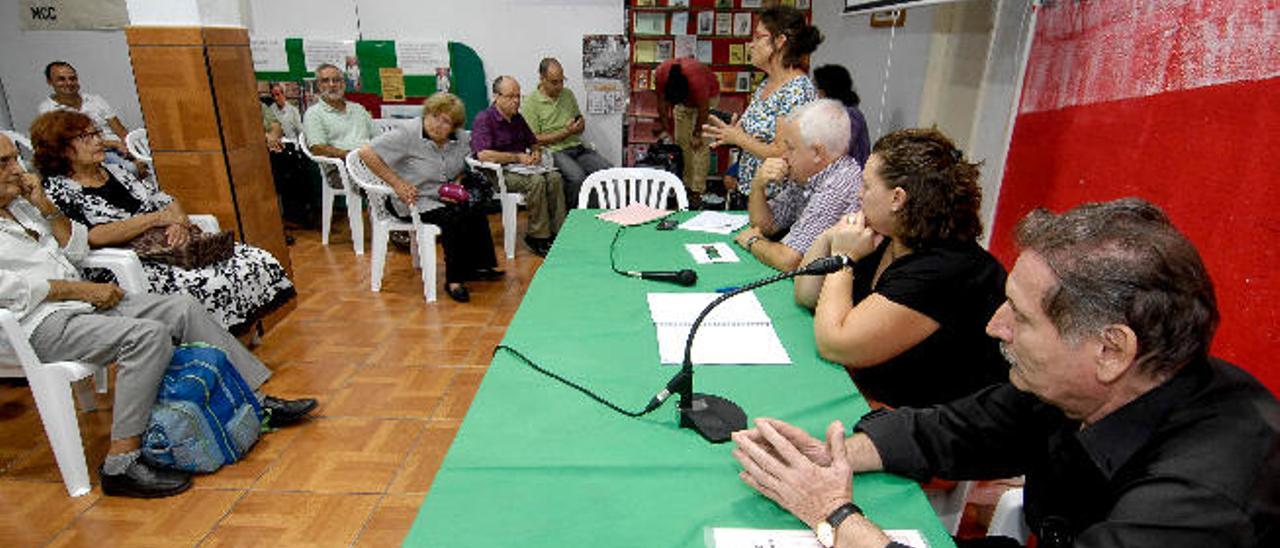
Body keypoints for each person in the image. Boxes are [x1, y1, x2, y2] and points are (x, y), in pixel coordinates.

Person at [736, 198, 1280, 548]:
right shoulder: (1085, 389)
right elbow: (963, 428)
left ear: (1112, 350)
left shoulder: (1203, 500)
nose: (995, 326)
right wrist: (835, 457)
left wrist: (835, 516)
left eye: (1019, 314)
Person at [0, 133, 316, 498]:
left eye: (14, 159)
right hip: (35, 324)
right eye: (4, 163)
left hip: (78, 303)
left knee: (180, 307)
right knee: (147, 336)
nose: (16, 170)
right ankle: (121, 463)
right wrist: (75, 289)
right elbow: (11, 290)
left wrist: (46, 208)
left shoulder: (22, 206)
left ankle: (252, 402)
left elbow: (76, 252)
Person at [31, 110, 295, 336]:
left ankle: (238, 340)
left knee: (253, 259)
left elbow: (164, 198)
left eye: (96, 133)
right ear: (61, 148)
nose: (98, 141)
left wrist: (178, 221)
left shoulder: (116, 171)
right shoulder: (58, 190)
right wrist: (156, 219)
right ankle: (214, 347)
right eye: (86, 137)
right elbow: (94, 236)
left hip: (169, 247)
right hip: (127, 262)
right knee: (208, 282)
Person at [794, 128, 1007, 408]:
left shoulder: (946, 269)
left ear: (897, 198)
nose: (860, 194)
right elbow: (807, 294)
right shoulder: (887, 237)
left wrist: (843, 259)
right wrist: (829, 237)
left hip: (931, 426)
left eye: (867, 186)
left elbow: (836, 345)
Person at [358, 92, 501, 303]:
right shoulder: (407, 134)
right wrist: (397, 183)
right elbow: (365, 153)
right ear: (426, 113)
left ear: (454, 127)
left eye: (446, 122)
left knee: (474, 206)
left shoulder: (461, 139)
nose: (437, 124)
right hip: (412, 200)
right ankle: (454, 279)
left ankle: (479, 266)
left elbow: (462, 168)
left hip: (442, 194)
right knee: (453, 216)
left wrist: (458, 183)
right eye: (434, 116)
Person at [703, 6, 822, 202]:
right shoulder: (767, 83)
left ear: (780, 42)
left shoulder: (796, 90)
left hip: (778, 206)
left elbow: (782, 152)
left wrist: (738, 138)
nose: (751, 44)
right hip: (752, 196)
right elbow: (758, 135)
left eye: (758, 37)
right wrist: (734, 132)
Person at [733, 99, 862, 271]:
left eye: (791, 148)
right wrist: (758, 186)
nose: (783, 156)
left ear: (817, 152)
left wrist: (752, 241)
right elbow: (766, 226)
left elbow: (790, 260)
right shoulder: (809, 174)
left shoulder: (837, 186)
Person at [471, 75, 566, 257]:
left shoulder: (517, 119)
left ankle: (558, 232)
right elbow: (483, 154)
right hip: (496, 174)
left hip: (520, 169)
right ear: (497, 97)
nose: (516, 101)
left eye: (518, 96)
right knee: (536, 181)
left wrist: (536, 152)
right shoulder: (484, 119)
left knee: (555, 177)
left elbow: (533, 142)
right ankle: (537, 236)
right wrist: (516, 157)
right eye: (510, 96)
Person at [521, 58, 611, 206]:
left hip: (577, 147)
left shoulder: (567, 94)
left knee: (607, 171)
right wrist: (566, 132)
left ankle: (596, 215)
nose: (559, 86)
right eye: (554, 82)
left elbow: (580, 124)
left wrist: (579, 125)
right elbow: (534, 139)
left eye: (562, 81)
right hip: (553, 151)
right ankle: (572, 218)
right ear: (542, 79)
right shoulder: (531, 102)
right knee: (577, 178)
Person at [38, 61, 145, 175]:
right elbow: (70, 143)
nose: (68, 83)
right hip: (90, 153)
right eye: (61, 79)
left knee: (149, 161)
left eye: (72, 78)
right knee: (131, 169)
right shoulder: (47, 110)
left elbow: (120, 129)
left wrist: (132, 149)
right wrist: (114, 144)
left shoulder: (96, 100)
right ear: (50, 82)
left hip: (119, 147)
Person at [654, 56, 720, 207]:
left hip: (708, 99)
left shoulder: (698, 82)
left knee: (700, 146)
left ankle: (697, 192)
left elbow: (704, 110)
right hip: (685, 97)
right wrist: (665, 126)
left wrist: (697, 134)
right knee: (681, 143)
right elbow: (661, 103)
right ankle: (684, 186)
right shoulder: (660, 75)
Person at [302, 63, 378, 190]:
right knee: (389, 181)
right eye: (326, 81)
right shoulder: (313, 114)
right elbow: (318, 148)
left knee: (410, 173)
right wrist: (353, 156)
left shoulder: (358, 109)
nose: (332, 84)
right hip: (340, 169)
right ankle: (386, 208)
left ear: (343, 84)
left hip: (370, 162)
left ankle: (392, 208)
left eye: (336, 80)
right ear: (319, 86)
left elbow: (378, 137)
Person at [813, 65, 870, 169]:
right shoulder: (837, 114)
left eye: (816, 87)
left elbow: (834, 151)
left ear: (825, 91)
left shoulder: (850, 115)